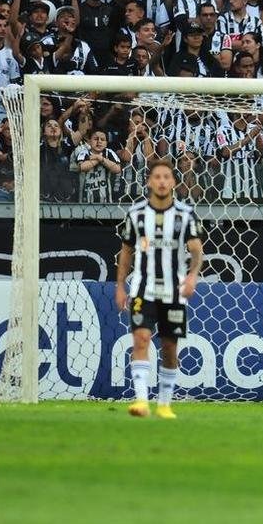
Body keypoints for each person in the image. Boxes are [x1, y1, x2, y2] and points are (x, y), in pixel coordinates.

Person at [114, 160, 206, 419]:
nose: (162, 181)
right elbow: (126, 252)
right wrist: (120, 286)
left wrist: (192, 277)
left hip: (174, 291)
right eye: (157, 177)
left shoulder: (185, 214)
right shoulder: (136, 214)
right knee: (141, 339)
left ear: (174, 182)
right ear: (149, 182)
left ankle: (164, 404)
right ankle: (141, 402)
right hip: (142, 289)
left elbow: (197, 249)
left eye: (167, 177)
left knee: (169, 347)